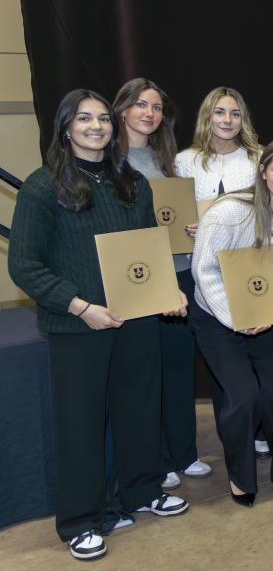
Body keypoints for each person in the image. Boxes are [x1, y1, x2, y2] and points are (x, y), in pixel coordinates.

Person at [9, 89, 189, 561]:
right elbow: (25, 266)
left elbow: (151, 249)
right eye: (84, 118)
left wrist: (166, 291)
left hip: (136, 317)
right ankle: (81, 521)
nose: (96, 126)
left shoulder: (133, 183)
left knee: (139, 410)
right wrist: (80, 306)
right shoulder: (41, 186)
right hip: (79, 325)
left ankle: (142, 492)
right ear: (65, 127)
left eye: (103, 119)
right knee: (81, 424)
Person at [190, 138, 273, 506]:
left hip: (268, 318)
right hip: (217, 318)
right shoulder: (227, 212)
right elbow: (203, 270)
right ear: (262, 172)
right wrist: (236, 317)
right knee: (243, 397)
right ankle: (241, 477)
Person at [113, 78, 211, 489]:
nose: (149, 113)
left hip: (181, 273)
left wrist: (195, 227)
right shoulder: (109, 160)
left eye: (155, 107)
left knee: (177, 366)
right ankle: (155, 459)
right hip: (138, 277)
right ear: (121, 110)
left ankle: (183, 452)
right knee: (144, 371)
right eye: (140, 105)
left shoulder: (168, 158)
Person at [175, 87, 264, 453]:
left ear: (243, 119)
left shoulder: (258, 158)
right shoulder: (184, 161)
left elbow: (269, 211)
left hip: (249, 264)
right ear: (207, 118)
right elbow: (174, 214)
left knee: (253, 347)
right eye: (219, 113)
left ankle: (257, 431)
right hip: (205, 266)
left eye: (235, 113)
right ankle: (233, 436)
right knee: (219, 359)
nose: (227, 120)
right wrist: (188, 225)